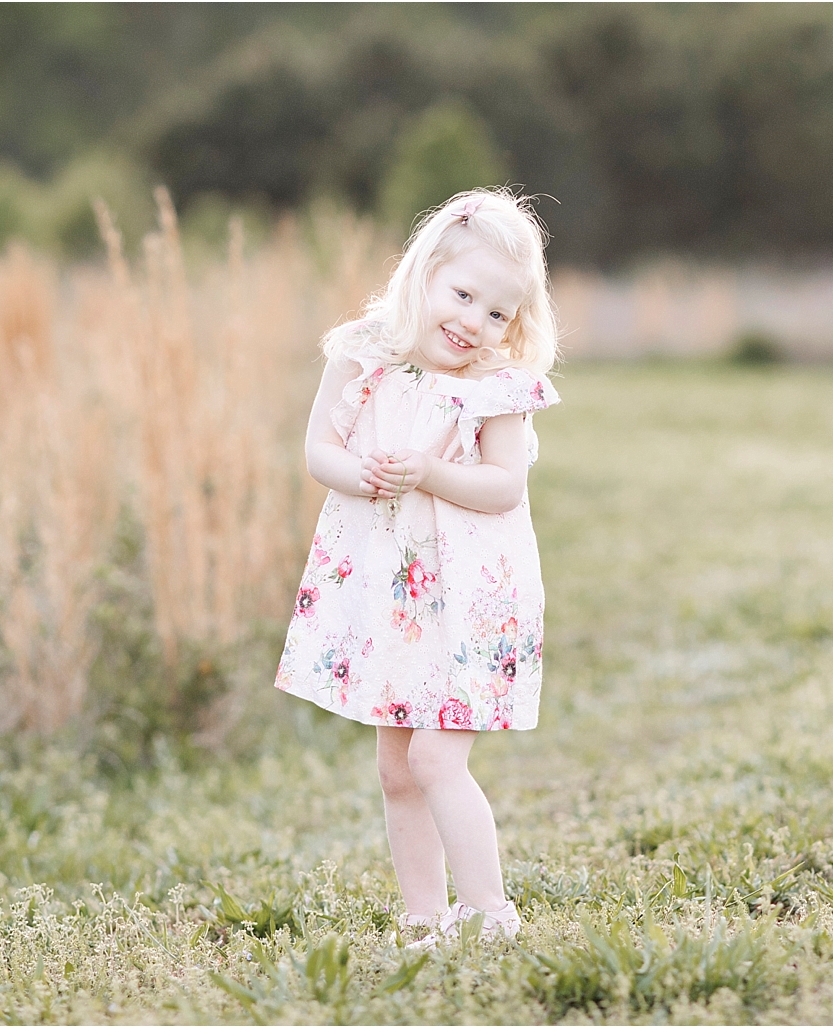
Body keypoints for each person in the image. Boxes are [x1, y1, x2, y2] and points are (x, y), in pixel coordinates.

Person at [274, 188, 560, 946]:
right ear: (423, 274)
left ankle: (490, 915)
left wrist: (429, 475)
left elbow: (503, 487)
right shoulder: (364, 355)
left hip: (472, 599)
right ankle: (423, 920)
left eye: (496, 312)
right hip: (390, 594)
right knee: (397, 769)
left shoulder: (498, 388)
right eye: (462, 295)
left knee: (436, 757)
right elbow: (319, 451)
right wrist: (361, 473)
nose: (473, 322)